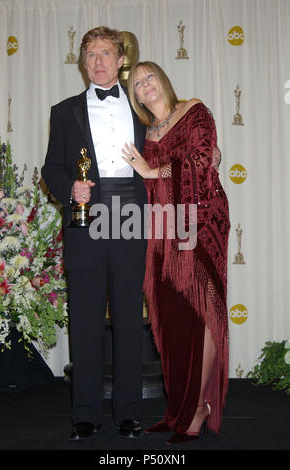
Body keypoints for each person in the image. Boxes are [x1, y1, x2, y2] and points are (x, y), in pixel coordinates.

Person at [41, 27, 147, 440]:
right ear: (82, 62)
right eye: (90, 54)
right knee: (84, 317)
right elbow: (51, 168)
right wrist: (70, 188)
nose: (98, 61)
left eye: (105, 53)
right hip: (84, 216)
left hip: (132, 213)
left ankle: (129, 412)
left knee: (127, 317)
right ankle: (84, 412)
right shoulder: (63, 110)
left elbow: (169, 148)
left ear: (121, 60)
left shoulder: (141, 107)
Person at [122, 61, 230, 444]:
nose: (144, 84)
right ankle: (178, 409)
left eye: (149, 76)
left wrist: (155, 172)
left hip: (201, 226)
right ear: (135, 96)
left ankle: (199, 407)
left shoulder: (194, 110)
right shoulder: (143, 134)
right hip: (163, 233)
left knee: (203, 313)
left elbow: (203, 160)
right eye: (137, 83)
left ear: (163, 80)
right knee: (169, 321)